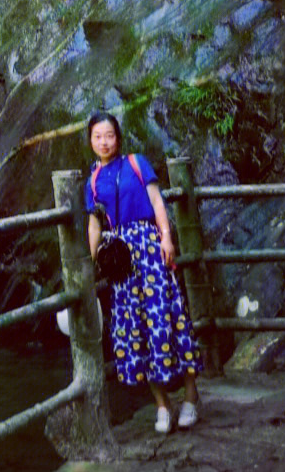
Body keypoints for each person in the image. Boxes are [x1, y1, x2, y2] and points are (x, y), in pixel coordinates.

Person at [85, 111, 201, 434]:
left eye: (109, 135)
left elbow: (157, 200)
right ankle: (162, 405)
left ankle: (191, 396)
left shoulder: (136, 164)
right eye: (98, 136)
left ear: (117, 138)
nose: (104, 141)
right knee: (135, 330)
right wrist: (90, 264)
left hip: (150, 249)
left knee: (168, 318)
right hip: (121, 261)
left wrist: (166, 236)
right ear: (91, 141)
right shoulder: (93, 181)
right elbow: (94, 224)